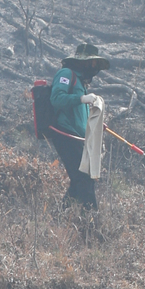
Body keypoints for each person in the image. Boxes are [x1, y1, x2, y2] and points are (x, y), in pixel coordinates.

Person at [46, 41, 109, 209]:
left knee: (79, 180)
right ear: (83, 61)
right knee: (84, 178)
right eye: (92, 62)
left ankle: (59, 217)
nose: (94, 66)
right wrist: (81, 99)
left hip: (78, 138)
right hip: (65, 134)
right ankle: (92, 224)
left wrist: (95, 123)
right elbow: (57, 99)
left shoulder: (81, 83)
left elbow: (79, 115)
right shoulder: (66, 74)